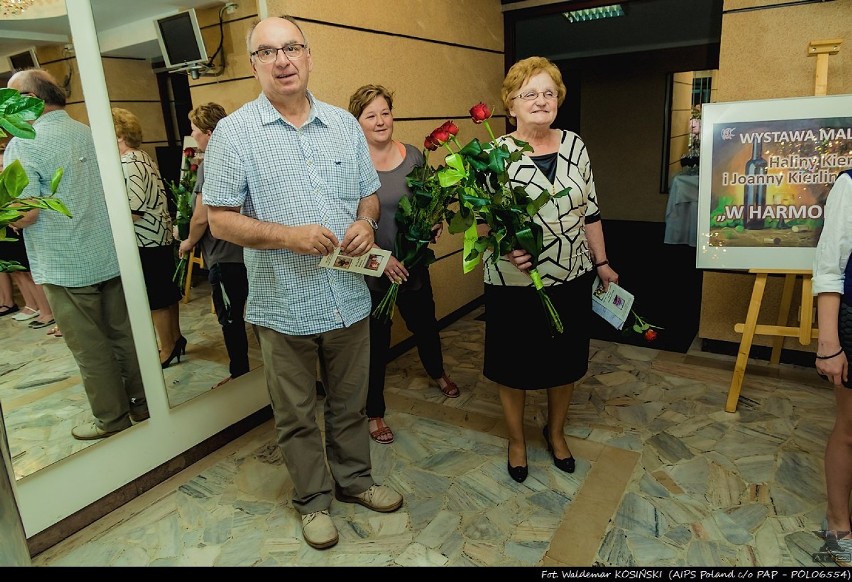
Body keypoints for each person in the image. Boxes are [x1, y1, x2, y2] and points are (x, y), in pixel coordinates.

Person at [201, 16, 402, 550]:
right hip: (282, 303)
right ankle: (313, 501)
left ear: (309, 56)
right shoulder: (234, 133)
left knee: (350, 403)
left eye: (291, 48)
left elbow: (367, 194)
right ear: (255, 65)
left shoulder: (342, 124)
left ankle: (356, 481)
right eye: (268, 52)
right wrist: (287, 236)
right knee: (294, 416)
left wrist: (364, 222)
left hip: (348, 298)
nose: (283, 60)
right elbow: (219, 219)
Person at [483, 56, 619, 483]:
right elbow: (481, 219)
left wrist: (603, 262)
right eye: (530, 94)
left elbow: (591, 211)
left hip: (571, 272)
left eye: (548, 93)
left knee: (564, 361)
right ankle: (517, 440)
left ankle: (555, 433)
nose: (541, 101)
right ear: (511, 104)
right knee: (513, 364)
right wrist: (505, 247)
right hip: (513, 278)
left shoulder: (576, 145)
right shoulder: (493, 154)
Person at [4, 69, 147, 440]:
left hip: (66, 262)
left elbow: (27, 212)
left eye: (10, 99)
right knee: (123, 337)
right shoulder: (90, 133)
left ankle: (111, 420)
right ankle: (143, 405)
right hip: (108, 254)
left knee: (90, 348)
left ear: (31, 101)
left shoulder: (25, 142)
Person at [347, 84, 460, 445]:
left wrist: (435, 223)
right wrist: (381, 261)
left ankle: (437, 371)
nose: (380, 121)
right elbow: (344, 225)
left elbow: (428, 202)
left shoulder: (412, 155)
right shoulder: (350, 165)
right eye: (371, 116)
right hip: (371, 269)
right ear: (357, 122)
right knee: (375, 344)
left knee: (426, 324)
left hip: (411, 264)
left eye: (385, 112)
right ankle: (374, 411)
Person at [178, 103, 249, 388]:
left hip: (225, 256)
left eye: (195, 130)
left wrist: (188, 242)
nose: (192, 135)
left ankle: (241, 374)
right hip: (250, 253)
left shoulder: (211, 164)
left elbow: (200, 216)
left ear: (209, 132)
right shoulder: (241, 155)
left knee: (231, 320)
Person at [112, 107, 186, 369]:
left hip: (146, 239)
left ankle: (167, 347)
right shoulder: (143, 157)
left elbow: (133, 208)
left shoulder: (128, 162)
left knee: (156, 297)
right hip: (159, 235)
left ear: (118, 134)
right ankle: (175, 339)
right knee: (166, 293)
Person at [812, 168, 852, 556]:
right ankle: (839, 526)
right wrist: (828, 344)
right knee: (851, 428)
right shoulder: (850, 184)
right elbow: (830, 267)